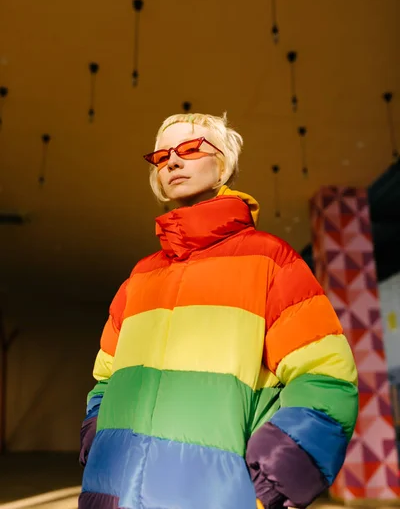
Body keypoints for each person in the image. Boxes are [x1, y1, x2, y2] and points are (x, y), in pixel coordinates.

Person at [79, 112, 358, 509]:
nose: (172, 161)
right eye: (161, 156)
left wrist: (276, 478)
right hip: (113, 494)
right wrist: (97, 437)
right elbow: (105, 379)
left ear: (223, 163)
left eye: (190, 148)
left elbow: (326, 377)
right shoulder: (139, 278)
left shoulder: (269, 261)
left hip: (216, 497)